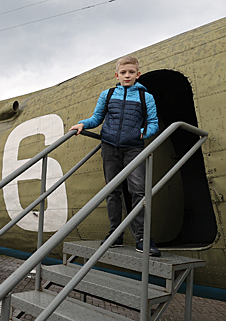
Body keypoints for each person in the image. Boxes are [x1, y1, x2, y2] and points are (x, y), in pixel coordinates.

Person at [69, 55, 161, 256]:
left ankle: (143, 237)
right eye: (123, 72)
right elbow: (97, 118)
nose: (127, 76)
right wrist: (83, 123)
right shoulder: (108, 94)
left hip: (133, 148)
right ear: (117, 75)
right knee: (113, 191)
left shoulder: (147, 97)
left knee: (138, 191)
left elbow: (153, 122)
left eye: (131, 72)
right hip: (110, 147)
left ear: (138, 74)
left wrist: (143, 133)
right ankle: (115, 234)